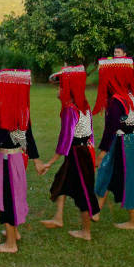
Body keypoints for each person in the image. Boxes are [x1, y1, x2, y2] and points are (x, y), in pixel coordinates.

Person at [0, 69, 45, 253]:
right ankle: (14, 233)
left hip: (9, 159)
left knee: (8, 199)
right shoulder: (21, 108)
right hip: (15, 159)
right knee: (13, 196)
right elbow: (29, 137)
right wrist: (36, 160)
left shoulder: (9, 110)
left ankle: (11, 244)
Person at [40, 66, 99, 240]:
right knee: (62, 180)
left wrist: (49, 162)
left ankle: (86, 232)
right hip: (83, 151)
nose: (58, 90)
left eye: (61, 87)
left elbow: (65, 139)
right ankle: (58, 218)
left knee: (83, 192)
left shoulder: (70, 109)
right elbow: (91, 133)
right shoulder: (82, 104)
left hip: (79, 153)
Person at [92, 57, 134, 229]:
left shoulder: (117, 101)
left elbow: (111, 129)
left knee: (125, 178)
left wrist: (101, 153)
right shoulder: (130, 97)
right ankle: (96, 210)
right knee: (107, 173)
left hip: (121, 143)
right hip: (129, 142)